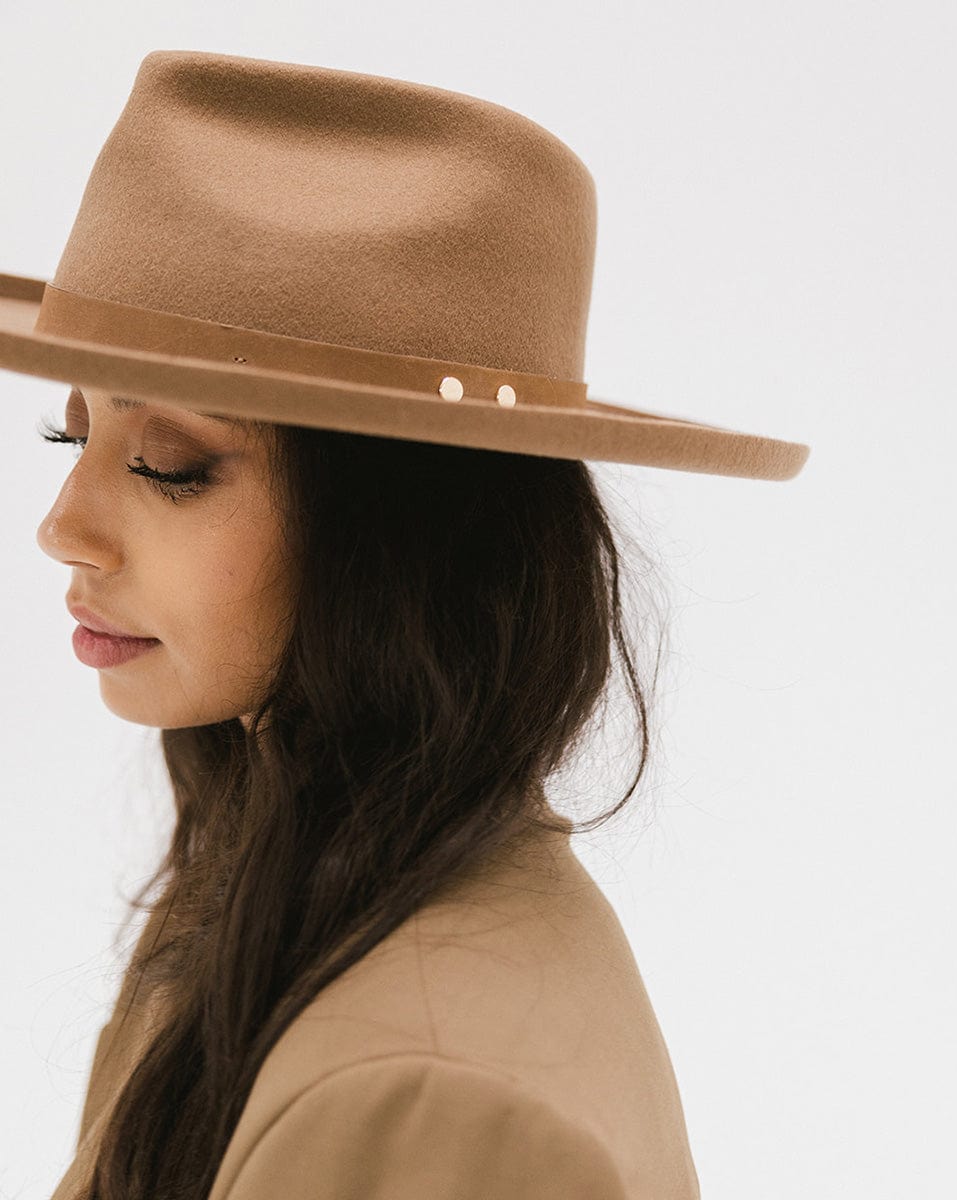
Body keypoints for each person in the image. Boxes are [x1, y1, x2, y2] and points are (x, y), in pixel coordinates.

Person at [0, 49, 810, 1200]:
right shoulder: (281, 892)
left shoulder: (423, 1100)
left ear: (402, 534)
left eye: (171, 463)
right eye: (72, 432)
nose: (61, 528)